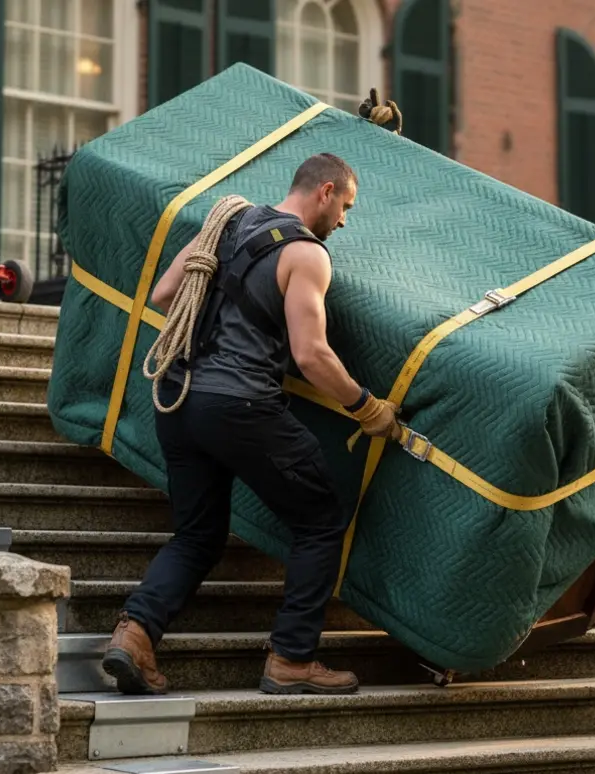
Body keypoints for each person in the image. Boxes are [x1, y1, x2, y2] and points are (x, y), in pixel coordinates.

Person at [101, 153, 402, 697]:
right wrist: (367, 407)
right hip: (240, 406)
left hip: (176, 398)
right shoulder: (307, 254)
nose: (344, 221)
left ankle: (135, 635)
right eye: (346, 207)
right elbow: (312, 355)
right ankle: (291, 658)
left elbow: (164, 295)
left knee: (197, 534)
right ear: (325, 191)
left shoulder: (226, 221)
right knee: (320, 520)